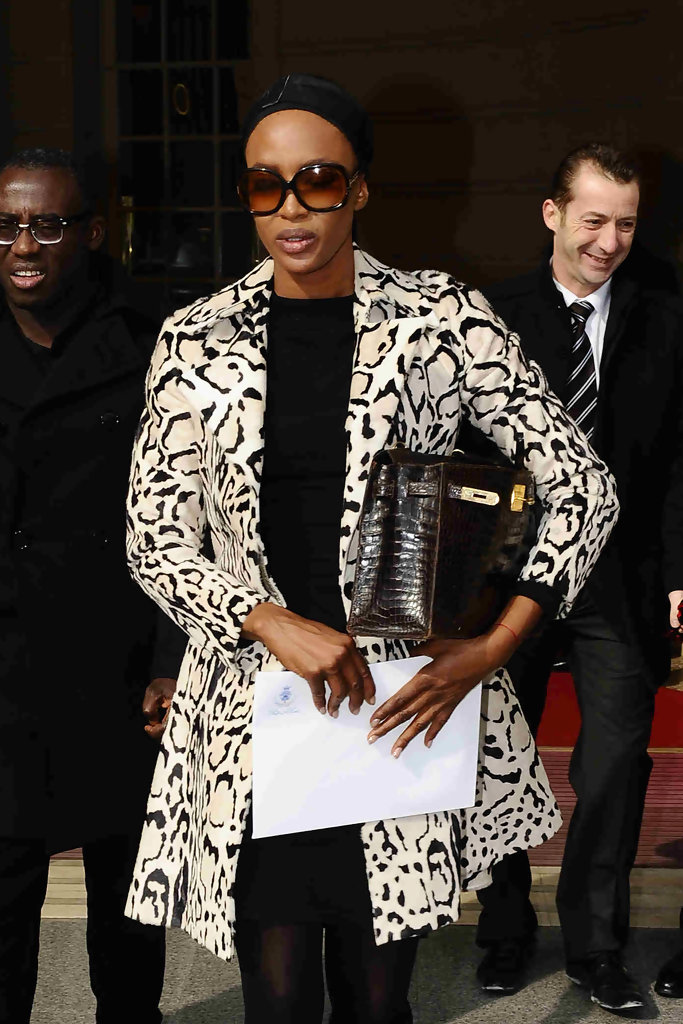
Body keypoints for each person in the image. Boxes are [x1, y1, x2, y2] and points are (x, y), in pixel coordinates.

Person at [123, 75, 617, 1024]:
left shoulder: (440, 317)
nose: (290, 208)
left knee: (378, 1000)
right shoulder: (196, 337)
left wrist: (497, 644)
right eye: (263, 185)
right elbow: (154, 538)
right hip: (257, 717)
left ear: (358, 188)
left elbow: (582, 484)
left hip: (397, 710)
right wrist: (266, 620)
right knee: (274, 1001)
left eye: (316, 180)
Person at [468, 143, 683, 1011]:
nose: (608, 242)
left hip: (617, 576)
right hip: (509, 577)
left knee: (615, 761)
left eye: (624, 224)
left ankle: (596, 946)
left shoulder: (662, 314)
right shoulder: (491, 316)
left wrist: (677, 572)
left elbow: (675, 461)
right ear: (551, 214)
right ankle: (503, 929)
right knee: (495, 754)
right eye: (593, 220)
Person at [0, 148, 186, 1024]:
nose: (22, 245)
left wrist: (172, 659)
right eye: (7, 225)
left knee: (127, 910)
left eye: (47, 225)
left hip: (118, 666)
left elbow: (188, 514)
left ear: (94, 232)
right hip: (5, 667)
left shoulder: (152, 339)